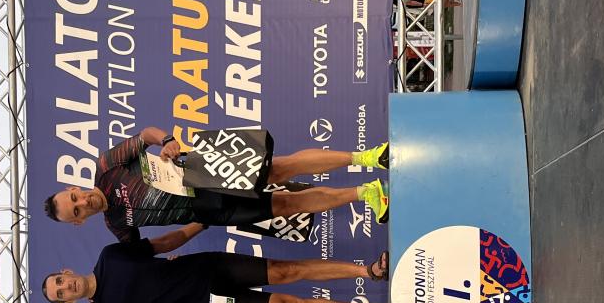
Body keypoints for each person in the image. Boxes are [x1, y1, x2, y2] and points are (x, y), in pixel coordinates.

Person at [43, 126, 389, 242]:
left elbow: (145, 135)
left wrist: (167, 141)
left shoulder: (106, 167)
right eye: (77, 211)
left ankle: (368, 157)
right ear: (78, 222)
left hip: (201, 171)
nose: (82, 202)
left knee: (279, 170)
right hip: (208, 210)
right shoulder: (117, 225)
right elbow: (149, 250)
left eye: (75, 197)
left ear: (74, 188)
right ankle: (366, 193)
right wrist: (191, 230)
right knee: (286, 205)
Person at [42, 231, 390, 303]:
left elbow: (160, 245)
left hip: (208, 269)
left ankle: (368, 271)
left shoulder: (110, 255)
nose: (65, 288)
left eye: (60, 281)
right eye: (60, 295)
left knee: (287, 271)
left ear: (66, 271)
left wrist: (199, 223)